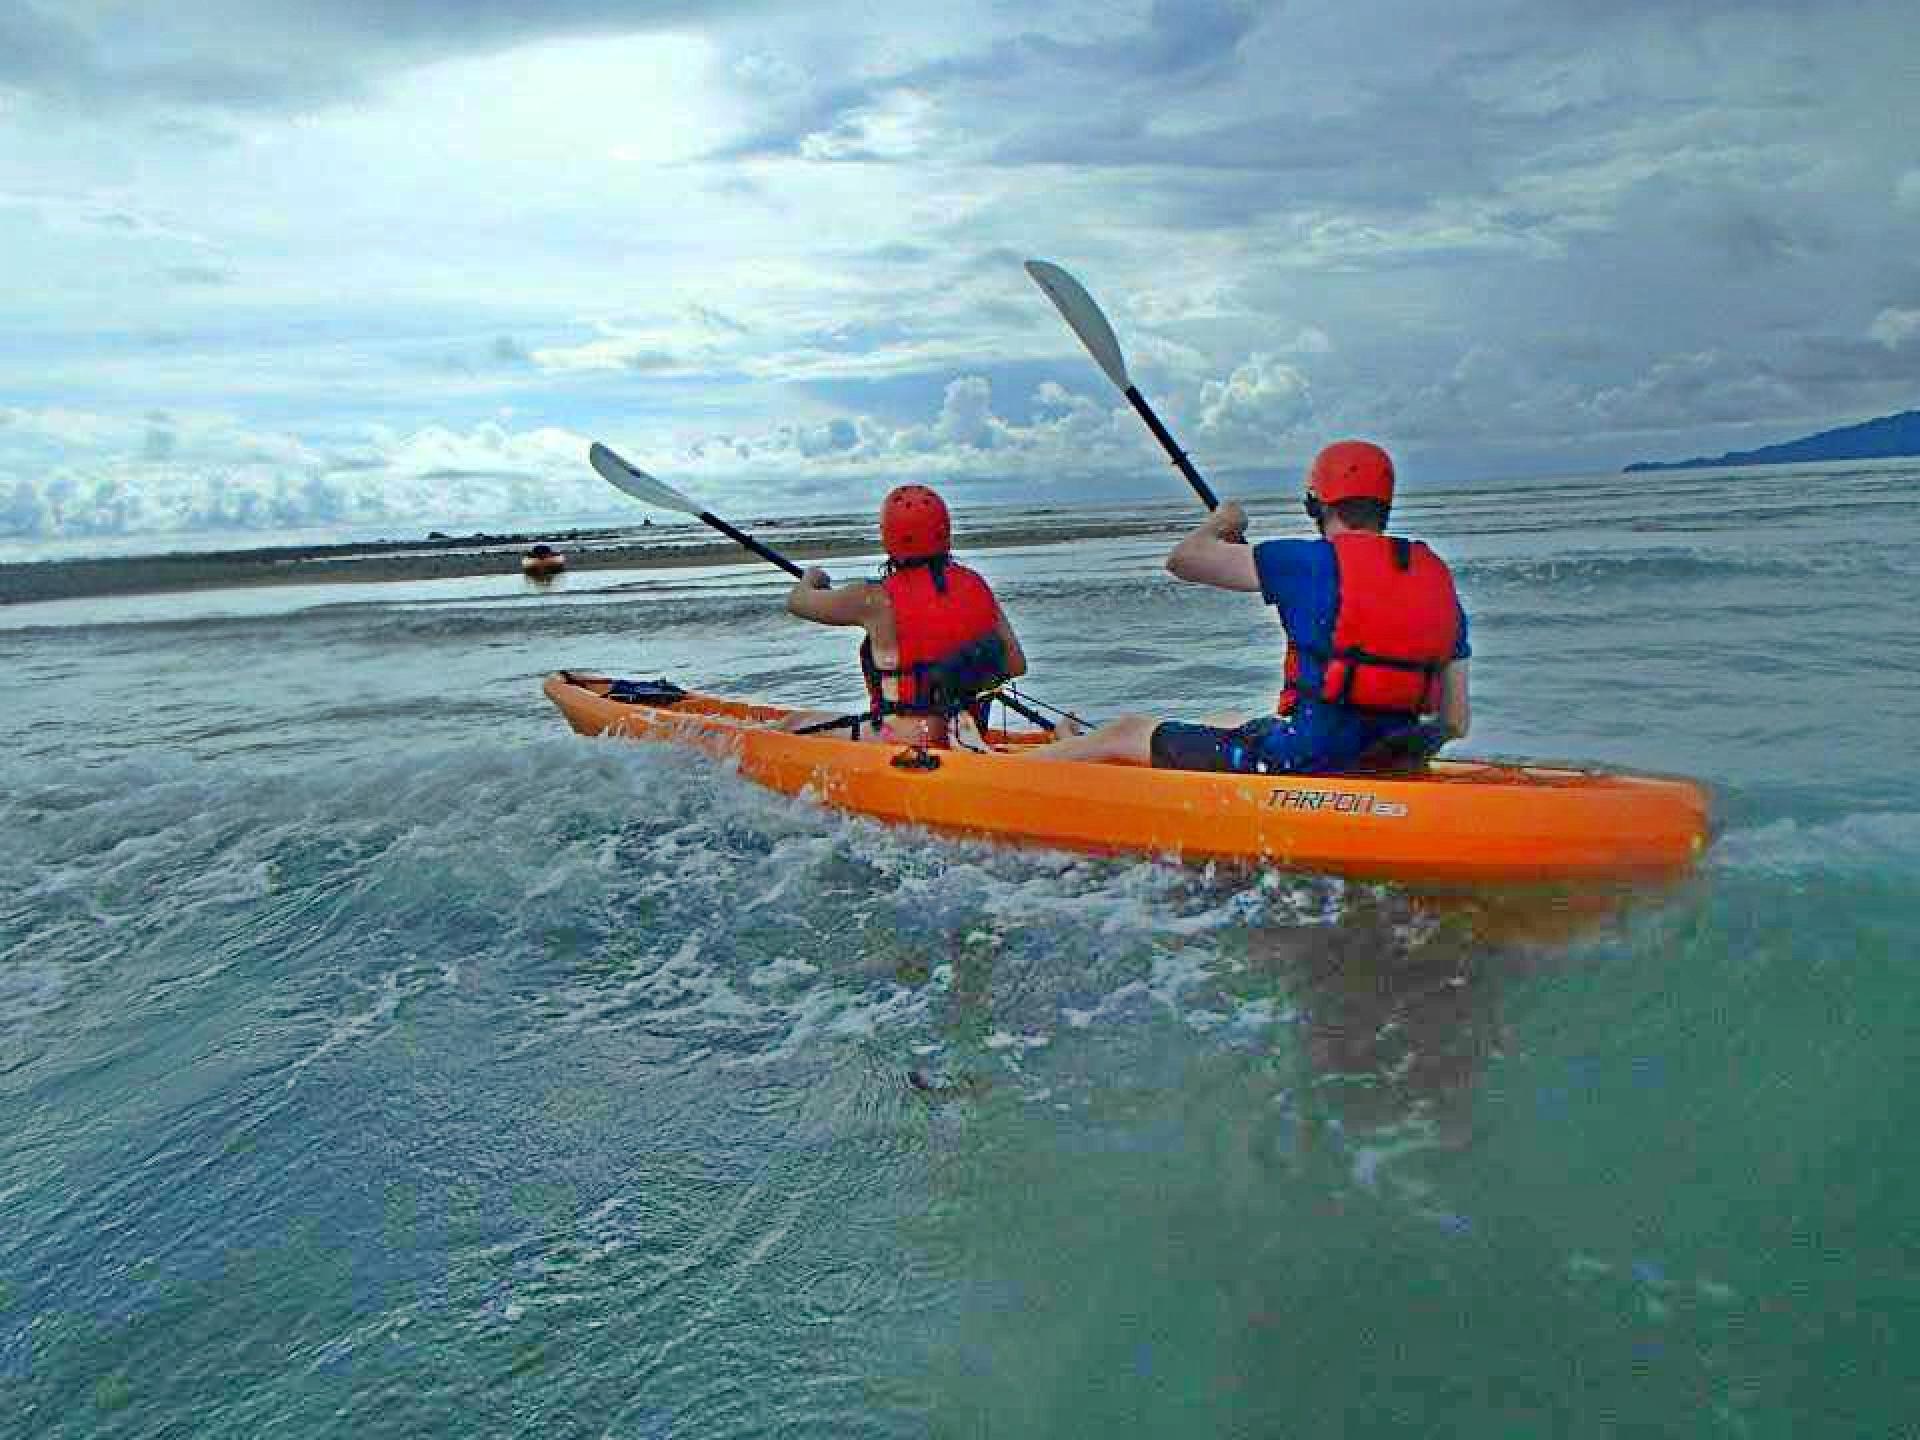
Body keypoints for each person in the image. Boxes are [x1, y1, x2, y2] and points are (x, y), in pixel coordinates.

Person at [1025, 440, 1469, 773]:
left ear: (1315, 504)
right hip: (1392, 759)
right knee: (1227, 719)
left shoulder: (1303, 561)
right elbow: (1454, 720)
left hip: (1304, 762)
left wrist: (1224, 522)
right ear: (1385, 506)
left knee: (1124, 731)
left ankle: (1003, 774)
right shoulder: (1434, 575)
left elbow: (1184, 559)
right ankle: (1071, 748)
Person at [778, 484, 1028, 748]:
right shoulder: (975, 585)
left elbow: (797, 602)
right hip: (968, 732)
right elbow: (1016, 665)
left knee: (791, 725)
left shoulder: (873, 598)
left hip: (904, 739)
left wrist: (812, 578)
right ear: (944, 532)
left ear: (888, 536)